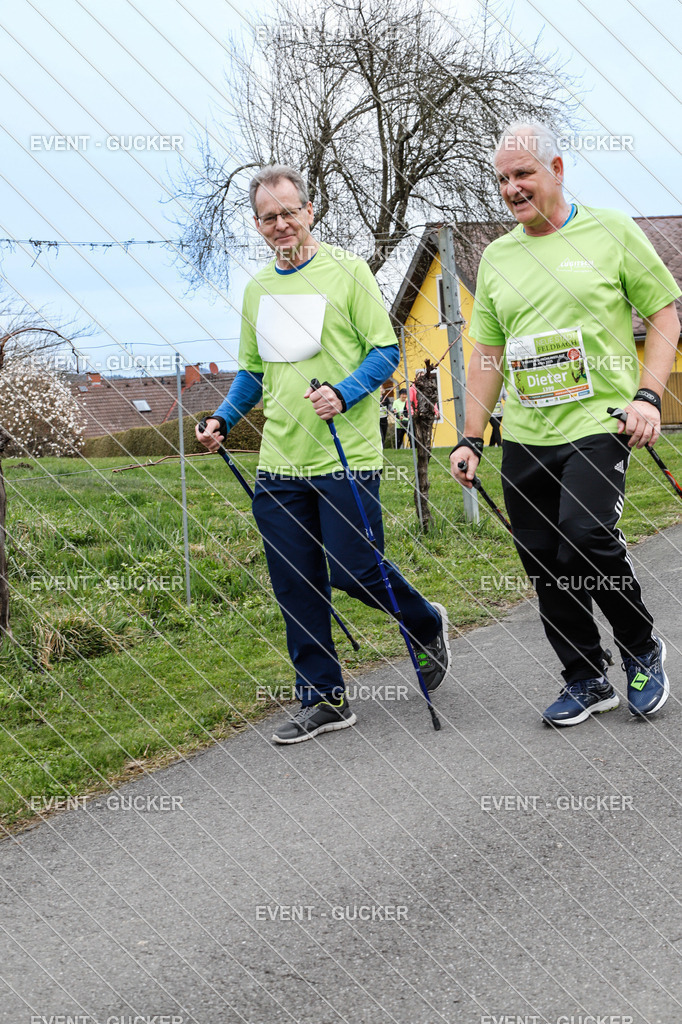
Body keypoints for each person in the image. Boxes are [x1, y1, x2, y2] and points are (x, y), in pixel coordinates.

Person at [198, 164, 450, 744]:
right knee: (295, 581)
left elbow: (385, 352)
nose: (281, 224)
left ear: (309, 211)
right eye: (269, 217)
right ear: (258, 225)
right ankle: (324, 699)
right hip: (280, 461)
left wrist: (344, 391)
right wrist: (222, 418)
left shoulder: (348, 271)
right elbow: (253, 374)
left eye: (290, 212)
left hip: (346, 453)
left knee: (356, 569)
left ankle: (424, 620)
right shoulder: (258, 289)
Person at [450, 122, 680, 726]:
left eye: (523, 173)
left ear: (556, 168)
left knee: (586, 534)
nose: (511, 188)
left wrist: (648, 398)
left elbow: (663, 315)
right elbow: (485, 356)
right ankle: (584, 677)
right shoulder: (498, 258)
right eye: (501, 178)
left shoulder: (611, 231)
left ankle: (641, 648)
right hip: (527, 433)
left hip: (599, 419)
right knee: (545, 559)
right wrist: (470, 436)